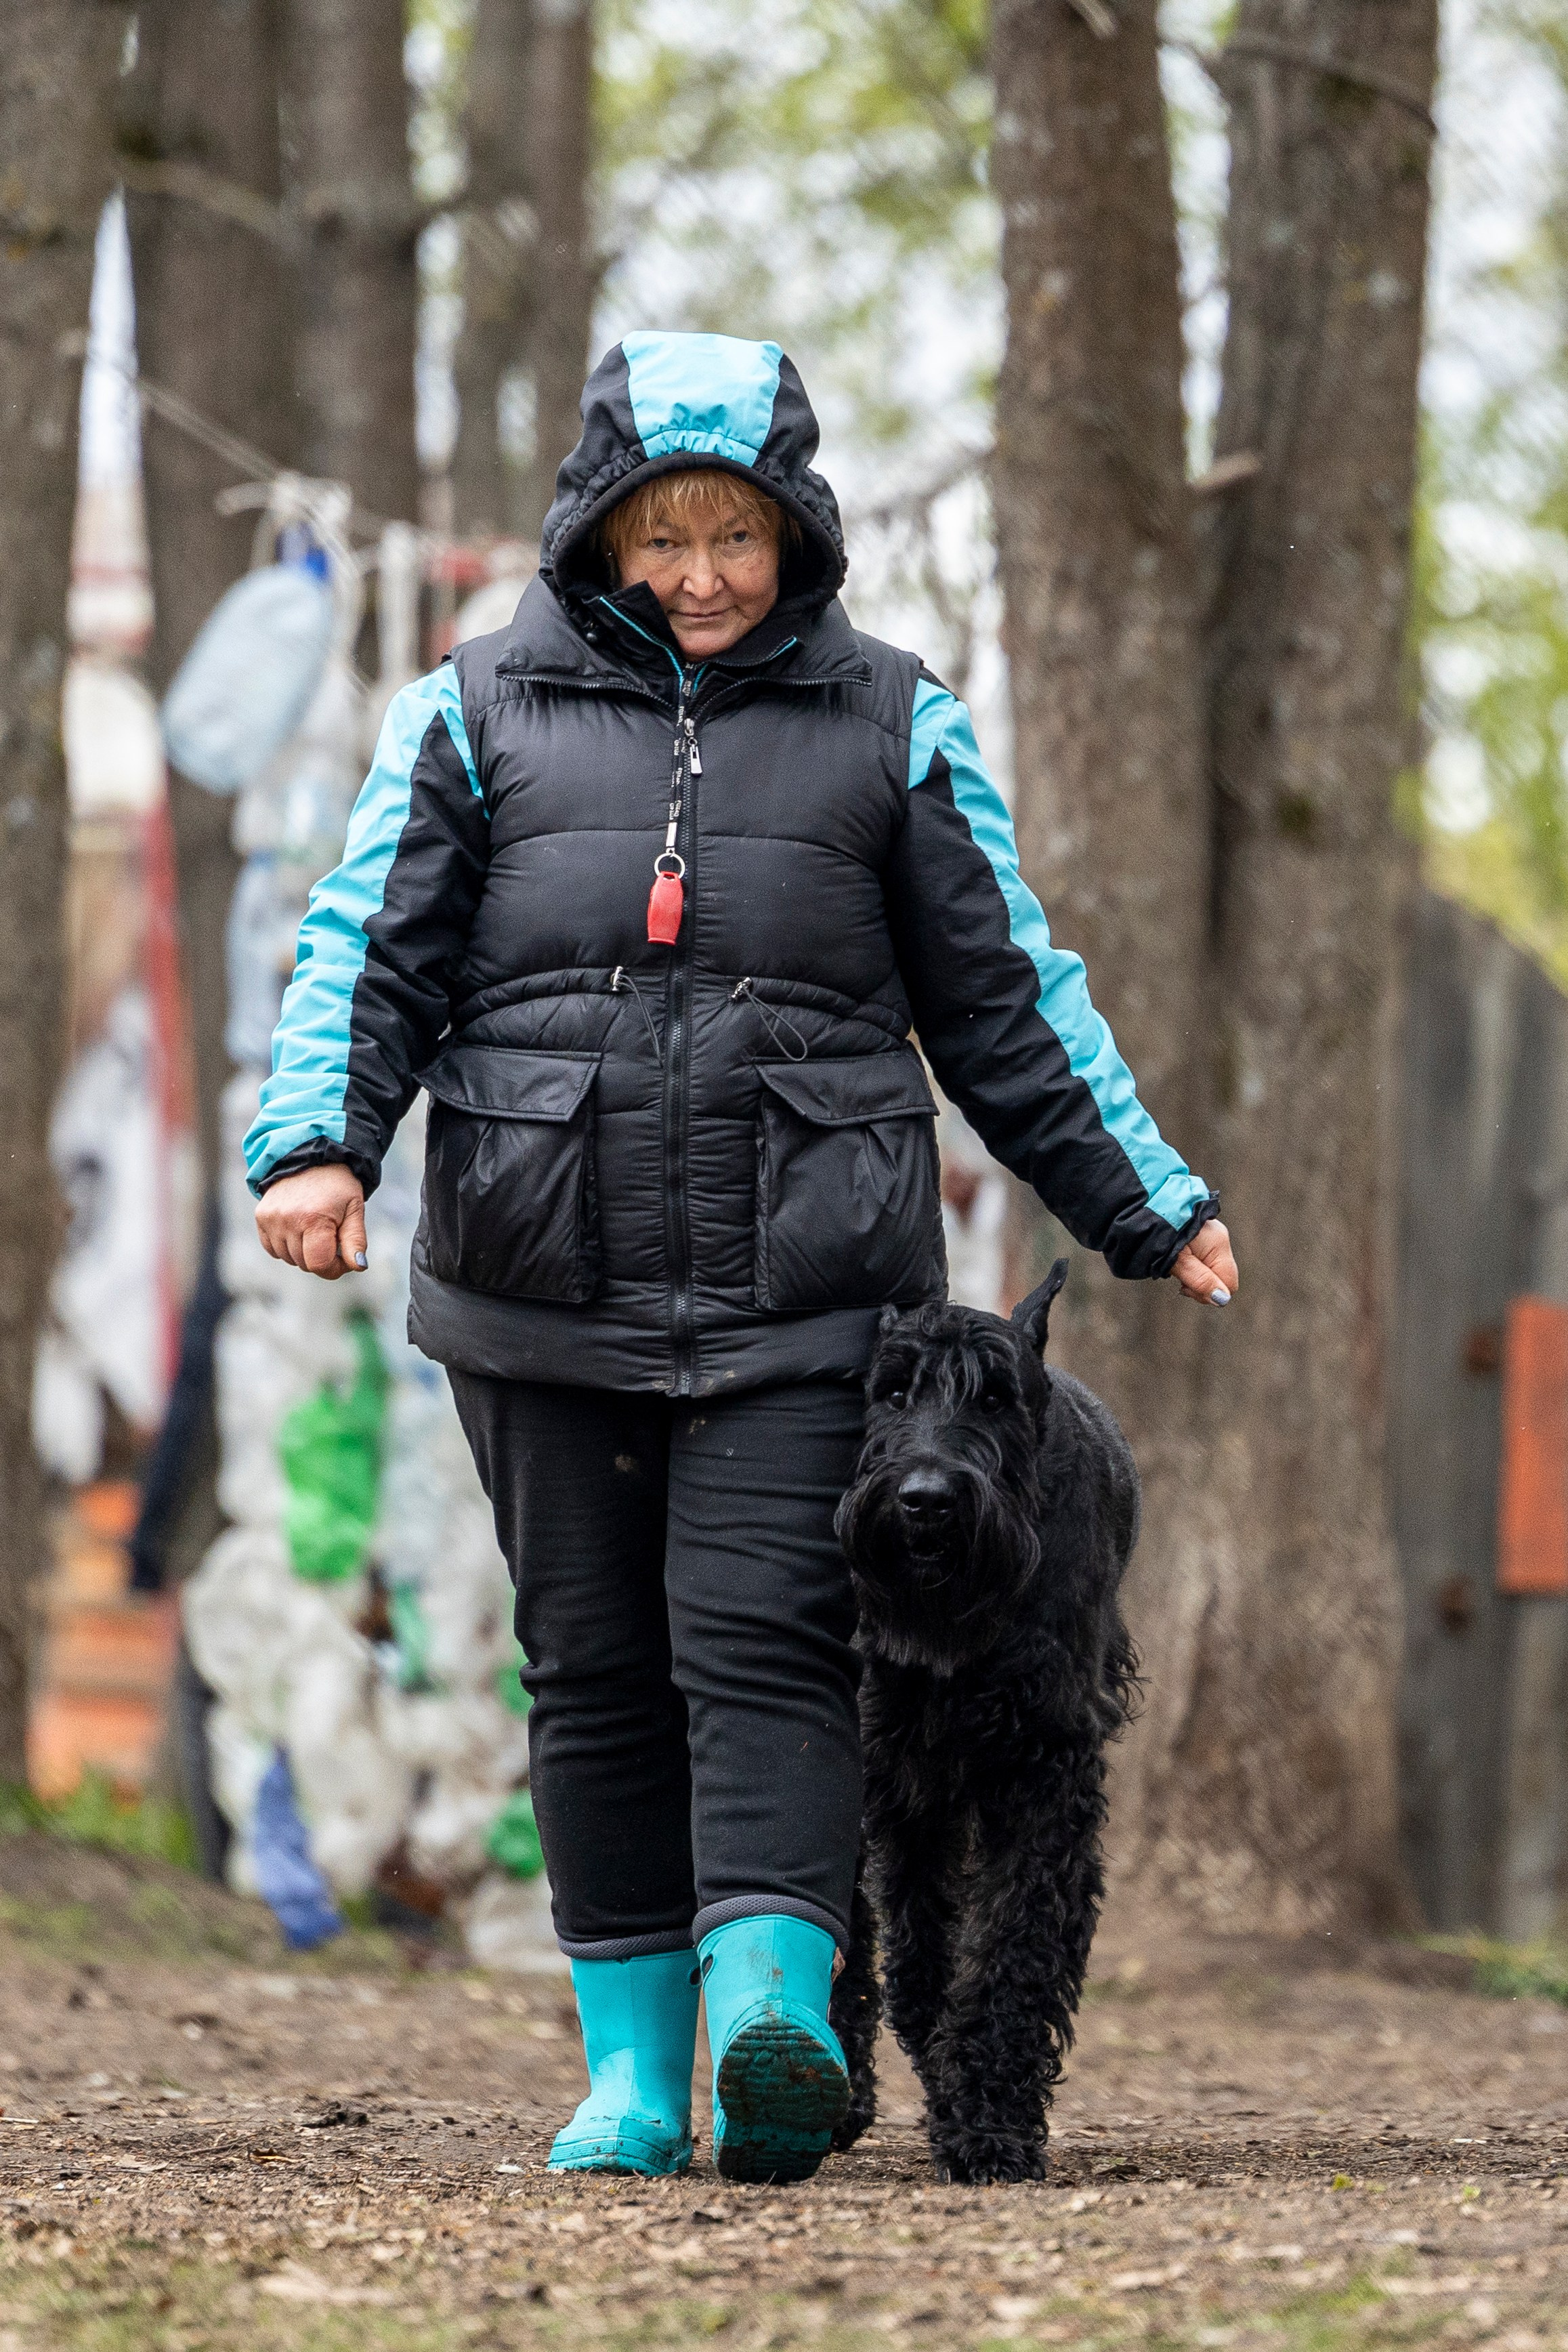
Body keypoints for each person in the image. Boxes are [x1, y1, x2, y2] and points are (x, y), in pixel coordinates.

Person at [247, 331, 1239, 2184]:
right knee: (595, 1666)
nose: (699, 574)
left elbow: (1008, 998)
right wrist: (315, 1143)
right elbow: (358, 956)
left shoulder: (892, 718)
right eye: (661, 535)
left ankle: (775, 2024)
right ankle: (632, 2077)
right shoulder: (465, 709)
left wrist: (1143, 1199)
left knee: (773, 1647)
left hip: (809, 1294)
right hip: (537, 1282)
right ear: (597, 533)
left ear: (796, 533)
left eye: (736, 537)